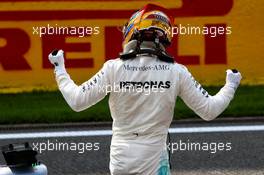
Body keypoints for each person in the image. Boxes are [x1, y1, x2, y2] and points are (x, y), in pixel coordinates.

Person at [48, 4, 242, 175]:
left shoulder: (113, 67)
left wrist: (59, 68)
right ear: (165, 36)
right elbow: (209, 110)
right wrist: (231, 84)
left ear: (131, 31)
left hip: (120, 158)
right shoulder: (176, 71)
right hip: (154, 156)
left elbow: (76, 101)